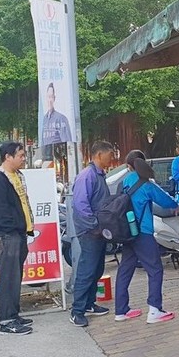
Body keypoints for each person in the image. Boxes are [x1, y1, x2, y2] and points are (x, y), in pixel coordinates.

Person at [115, 150, 179, 324]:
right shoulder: (146, 183)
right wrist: (177, 206)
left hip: (127, 233)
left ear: (128, 166)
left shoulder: (124, 183)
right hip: (143, 233)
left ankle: (120, 311)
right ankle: (154, 310)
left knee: (125, 269)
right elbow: (165, 201)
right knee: (155, 269)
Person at [0, 142, 35, 335]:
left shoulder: (17, 176)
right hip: (6, 236)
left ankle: (13, 314)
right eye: (21, 155)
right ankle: (6, 321)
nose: (24, 158)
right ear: (8, 156)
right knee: (7, 278)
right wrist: (13, 228)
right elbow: (0, 211)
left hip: (18, 234)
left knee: (15, 277)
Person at [68, 140, 116, 327]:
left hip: (99, 231)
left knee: (97, 269)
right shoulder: (86, 176)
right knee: (87, 270)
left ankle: (88, 303)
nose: (112, 159)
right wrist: (94, 225)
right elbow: (80, 205)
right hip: (89, 231)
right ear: (99, 155)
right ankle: (77, 310)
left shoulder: (100, 174)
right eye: (110, 155)